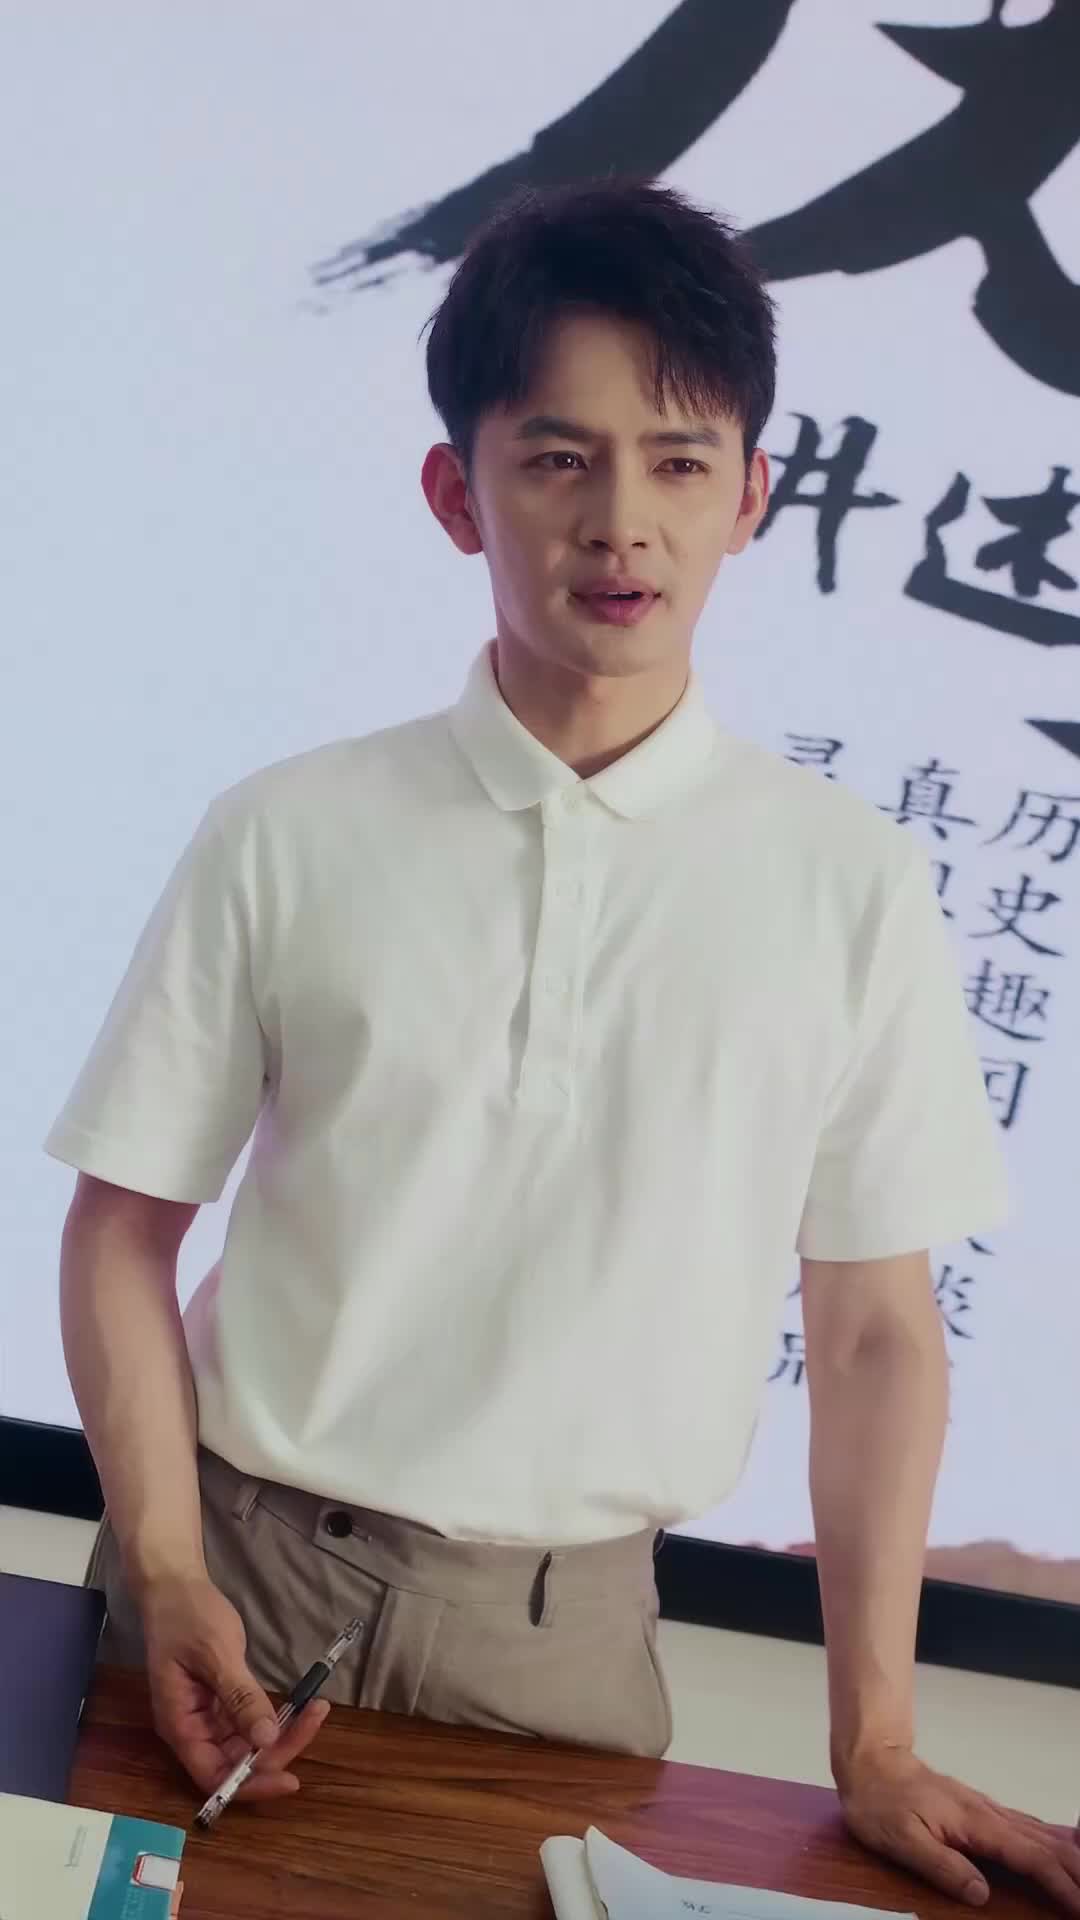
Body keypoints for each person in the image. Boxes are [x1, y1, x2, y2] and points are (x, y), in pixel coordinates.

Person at [48, 179, 1079, 1911]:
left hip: (566, 1643)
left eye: (678, 463)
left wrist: (879, 1740)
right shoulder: (289, 829)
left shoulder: (849, 883)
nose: (622, 525)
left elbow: (876, 1332)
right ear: (458, 494)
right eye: (557, 459)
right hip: (222, 1580)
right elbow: (121, 1227)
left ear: (752, 496)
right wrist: (161, 1566)